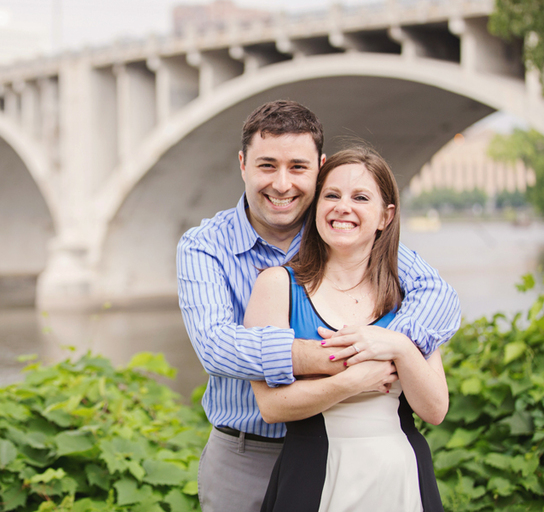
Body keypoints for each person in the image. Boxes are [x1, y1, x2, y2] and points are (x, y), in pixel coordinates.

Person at [176, 100, 459, 512]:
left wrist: (394, 345)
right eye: (267, 165)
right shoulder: (205, 246)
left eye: (298, 168)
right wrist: (351, 360)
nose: (282, 183)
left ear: (319, 167)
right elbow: (216, 347)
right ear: (242, 163)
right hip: (247, 453)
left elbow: (438, 296)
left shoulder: (343, 230)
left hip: (346, 452)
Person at [246, 146, 447, 511]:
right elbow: (271, 406)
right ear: (316, 207)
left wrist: (399, 347)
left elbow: (434, 409)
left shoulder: (410, 296)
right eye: (332, 195)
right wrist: (354, 380)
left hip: (401, 475)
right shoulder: (277, 287)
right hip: (315, 475)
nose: (343, 207)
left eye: (360, 198)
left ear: (385, 216)